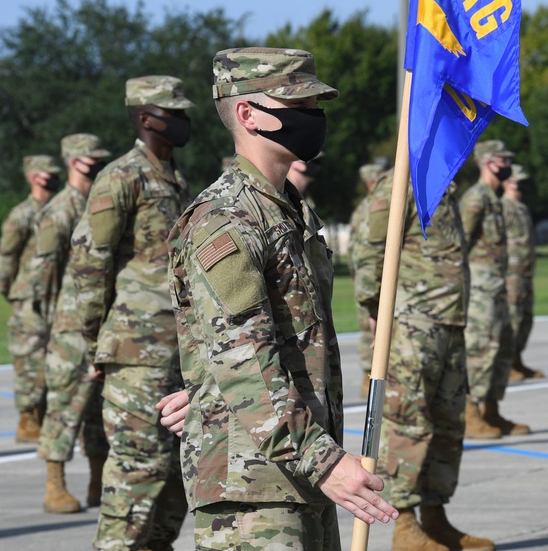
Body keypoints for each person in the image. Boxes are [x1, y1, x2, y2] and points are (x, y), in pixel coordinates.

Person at [166, 47, 396, 551]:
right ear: (247, 114)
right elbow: (246, 361)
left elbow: (250, 345)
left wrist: (209, 385)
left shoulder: (287, 212)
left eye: (315, 106)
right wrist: (327, 462)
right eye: (299, 105)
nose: (314, 119)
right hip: (255, 488)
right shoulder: (226, 221)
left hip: (294, 472)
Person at [75, 75, 194, 551]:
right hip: (135, 355)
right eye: (175, 113)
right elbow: (89, 261)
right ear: (146, 119)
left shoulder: (176, 177)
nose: (184, 121)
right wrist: (96, 340)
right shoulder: (122, 176)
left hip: (177, 354)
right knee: (136, 479)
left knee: (172, 488)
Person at [361, 170, 494, 551]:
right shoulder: (404, 177)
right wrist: (375, 308)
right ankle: (405, 525)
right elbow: (372, 246)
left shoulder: (445, 183)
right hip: (413, 322)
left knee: (448, 424)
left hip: (450, 323)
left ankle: (435, 517)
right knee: (408, 422)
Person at [31, 134, 112, 514]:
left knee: (97, 411)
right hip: (67, 328)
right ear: (72, 161)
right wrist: (48, 328)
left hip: (99, 322)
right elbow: (42, 277)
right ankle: (54, 485)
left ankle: (98, 481)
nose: (96, 164)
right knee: (64, 407)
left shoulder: (98, 203)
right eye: (90, 159)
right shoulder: (59, 211)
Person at [459, 140, 530, 438]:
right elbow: (461, 243)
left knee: (501, 349)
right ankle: (470, 413)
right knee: (481, 350)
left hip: (498, 285)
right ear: (488, 162)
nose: (507, 166)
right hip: (480, 290)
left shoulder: (495, 199)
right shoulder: (475, 199)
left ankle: (491, 410)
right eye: (503, 160)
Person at [0, 153, 62, 443]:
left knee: (54, 356)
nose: (53, 177)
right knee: (29, 356)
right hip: (29, 297)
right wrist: (11, 289)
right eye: (48, 173)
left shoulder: (59, 209)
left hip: (56, 295)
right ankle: (28, 417)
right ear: (35, 177)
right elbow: (7, 256)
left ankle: (48, 413)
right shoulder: (22, 214)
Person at [349, 160, 388, 398]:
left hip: (368, 274)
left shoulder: (365, 207)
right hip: (369, 275)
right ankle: (368, 376)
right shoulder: (369, 207)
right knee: (369, 328)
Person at [502, 164, 542, 382]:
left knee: (525, 319)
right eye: (520, 180)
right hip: (511, 273)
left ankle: (517, 360)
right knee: (513, 319)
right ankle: (506, 365)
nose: (523, 185)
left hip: (525, 272)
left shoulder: (522, 208)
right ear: (508, 182)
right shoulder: (504, 207)